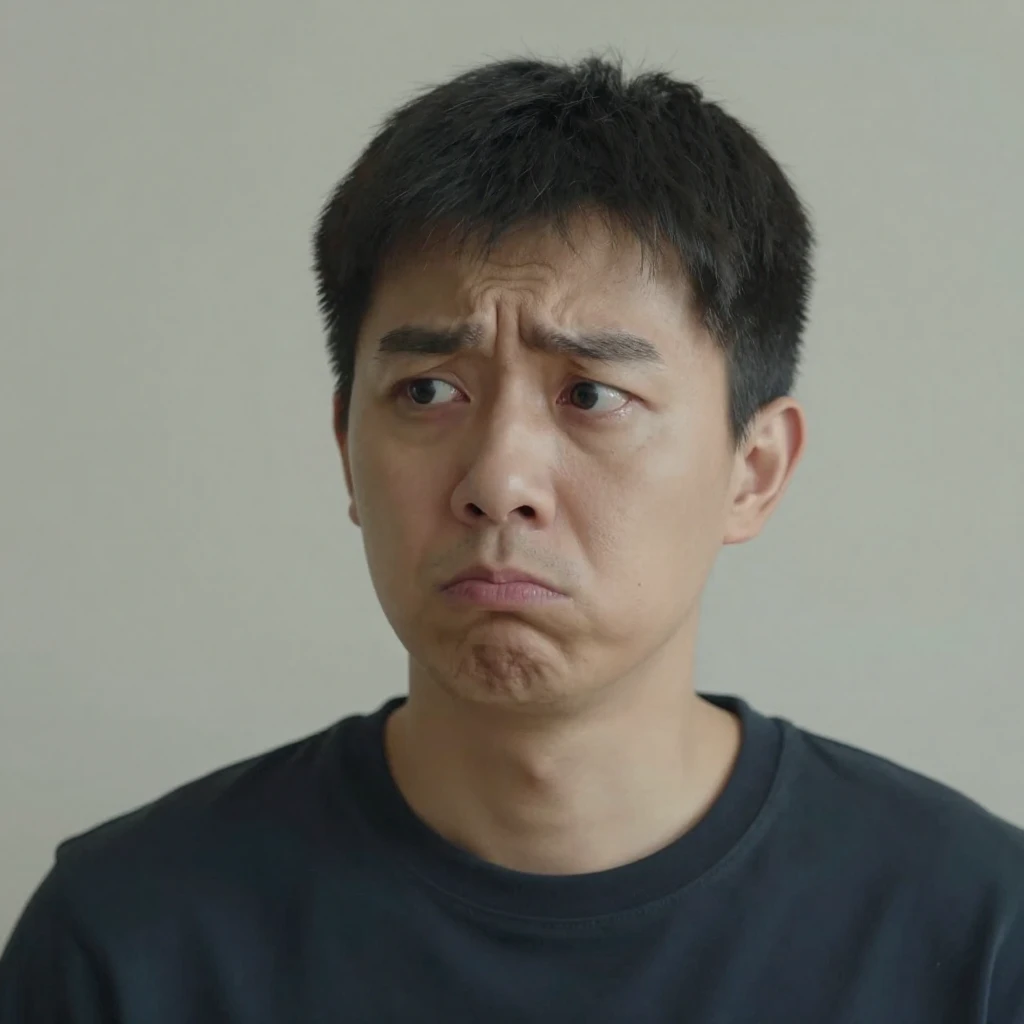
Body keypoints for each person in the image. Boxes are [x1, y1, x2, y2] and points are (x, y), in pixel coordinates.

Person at [2, 51, 1021, 1023]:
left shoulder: (978, 939)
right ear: (346, 447)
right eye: (428, 391)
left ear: (753, 470)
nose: (497, 482)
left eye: (593, 394)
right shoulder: (125, 943)